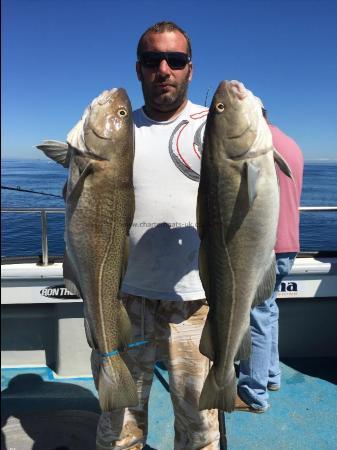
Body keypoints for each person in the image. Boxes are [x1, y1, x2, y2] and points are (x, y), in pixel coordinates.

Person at [92, 21, 220, 450]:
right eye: (152, 60)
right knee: (119, 435)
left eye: (175, 60)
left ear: (190, 69)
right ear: (139, 69)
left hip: (197, 300)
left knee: (199, 431)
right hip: (124, 298)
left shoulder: (213, 128)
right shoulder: (115, 130)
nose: (163, 69)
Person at [235, 105, 304, 413]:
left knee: (257, 318)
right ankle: (271, 375)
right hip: (289, 244)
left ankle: (253, 392)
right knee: (268, 312)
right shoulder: (290, 144)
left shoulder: (257, 147)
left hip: (266, 248)